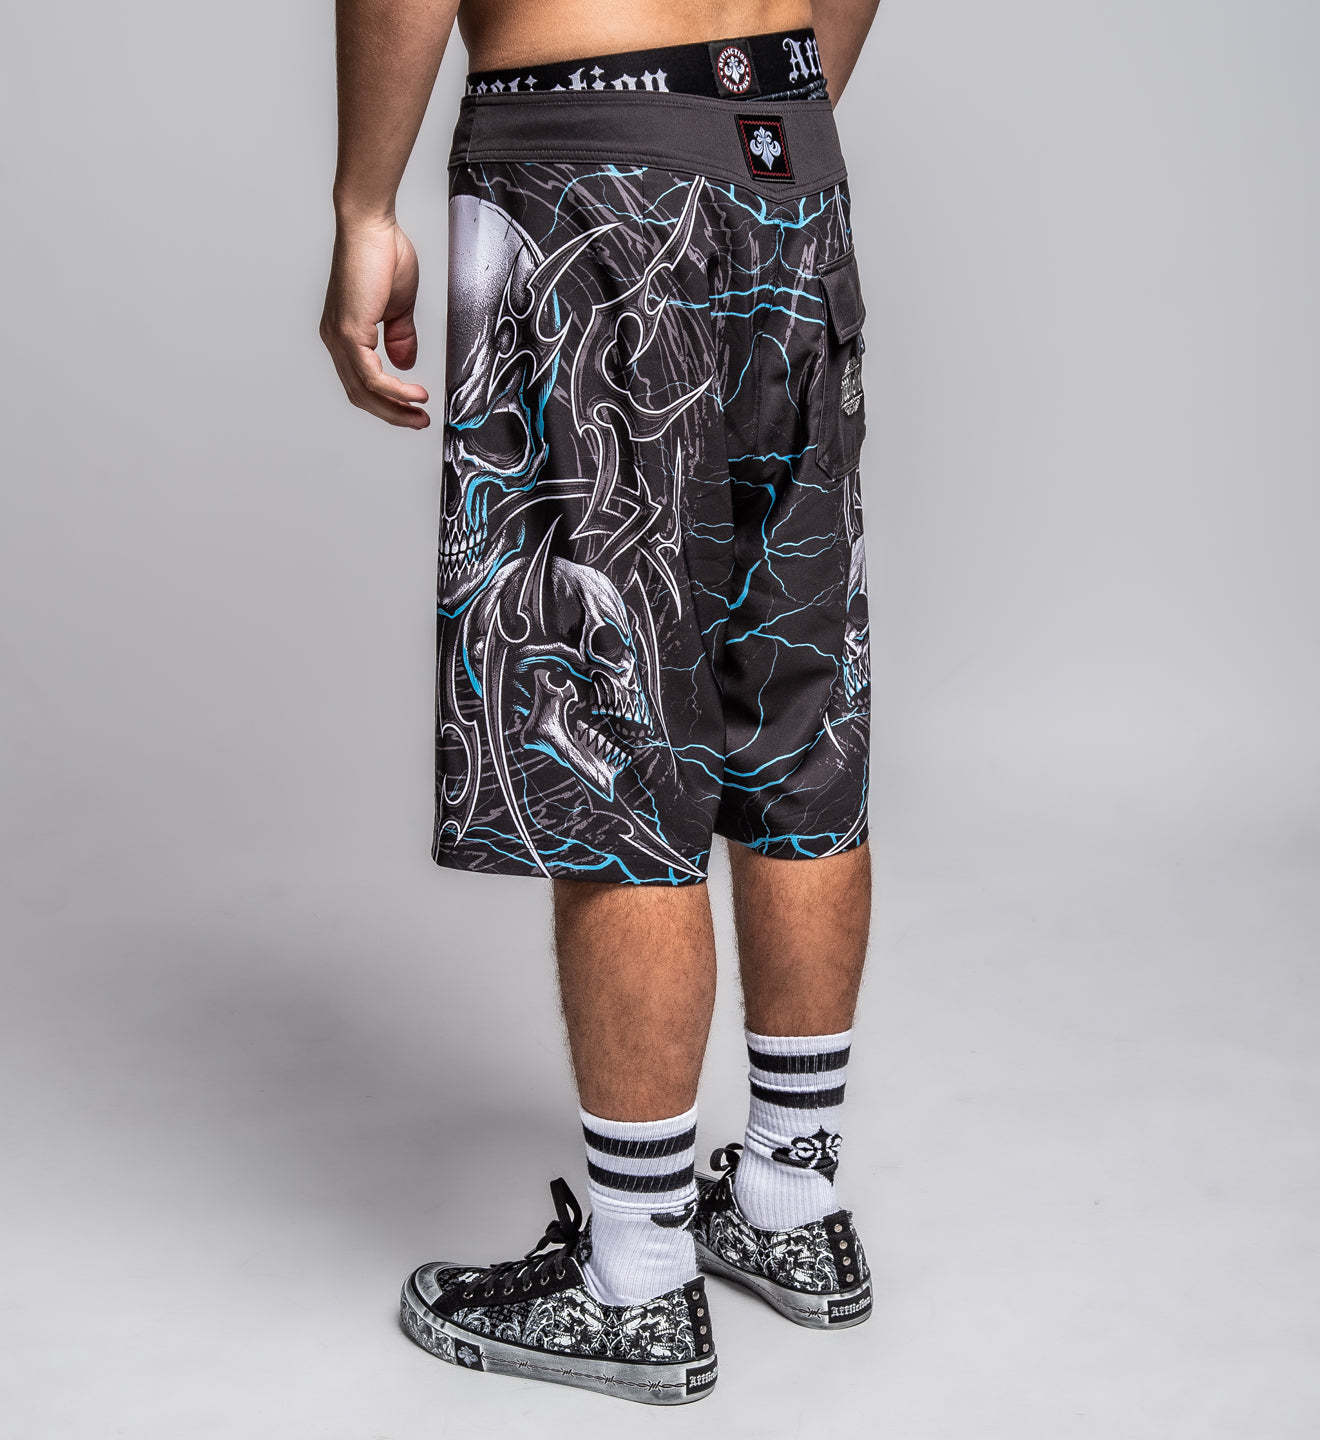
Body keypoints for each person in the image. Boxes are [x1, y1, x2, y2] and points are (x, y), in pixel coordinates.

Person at [321, 0, 882, 1406]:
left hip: (588, 168)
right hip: (785, 162)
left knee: (613, 735)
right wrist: (759, 120)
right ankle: (793, 1201)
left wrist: (363, 204)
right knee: (798, 718)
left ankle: (635, 1276)